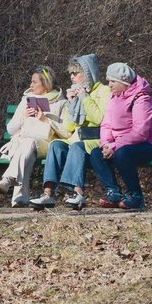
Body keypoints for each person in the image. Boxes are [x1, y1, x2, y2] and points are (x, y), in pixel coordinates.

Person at [29, 54, 111, 210]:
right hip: (76, 138)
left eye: (76, 73)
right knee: (56, 145)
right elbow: (68, 127)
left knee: (76, 147)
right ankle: (48, 194)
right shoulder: (77, 93)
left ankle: (77, 193)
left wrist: (85, 98)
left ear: (88, 73)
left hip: (95, 139)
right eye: (71, 74)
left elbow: (100, 118)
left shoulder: (103, 91)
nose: (72, 77)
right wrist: (72, 104)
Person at [91, 63, 152, 210]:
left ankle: (136, 197)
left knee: (123, 154)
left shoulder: (141, 98)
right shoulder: (114, 98)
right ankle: (114, 192)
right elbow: (106, 125)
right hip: (123, 145)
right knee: (96, 153)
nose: (109, 85)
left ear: (124, 82)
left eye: (112, 81)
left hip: (151, 144)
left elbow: (140, 132)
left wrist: (115, 146)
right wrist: (106, 144)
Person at [0, 66, 69, 207]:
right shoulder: (26, 101)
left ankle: (9, 177)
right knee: (27, 148)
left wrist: (46, 120)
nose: (31, 85)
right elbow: (11, 130)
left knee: (27, 144)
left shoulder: (61, 103)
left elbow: (66, 132)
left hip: (48, 145)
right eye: (31, 81)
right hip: (25, 143)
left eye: (34, 82)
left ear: (46, 83)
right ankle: (20, 199)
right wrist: (23, 117)